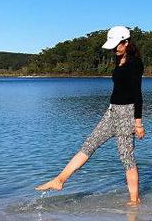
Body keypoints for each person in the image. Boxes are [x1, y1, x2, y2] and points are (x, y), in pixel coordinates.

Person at [35, 26, 146, 206]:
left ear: (126, 42)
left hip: (127, 114)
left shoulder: (135, 63)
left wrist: (138, 123)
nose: (114, 48)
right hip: (111, 112)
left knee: (127, 158)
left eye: (117, 44)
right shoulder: (118, 59)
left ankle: (134, 202)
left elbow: (137, 94)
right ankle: (59, 180)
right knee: (88, 145)